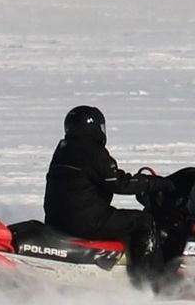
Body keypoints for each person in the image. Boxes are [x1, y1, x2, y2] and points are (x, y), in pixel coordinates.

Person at [43, 105, 175, 290]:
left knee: (123, 222)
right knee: (144, 221)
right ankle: (149, 282)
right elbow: (119, 183)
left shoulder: (64, 149)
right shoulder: (92, 151)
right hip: (86, 221)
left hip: (58, 219)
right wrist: (154, 183)